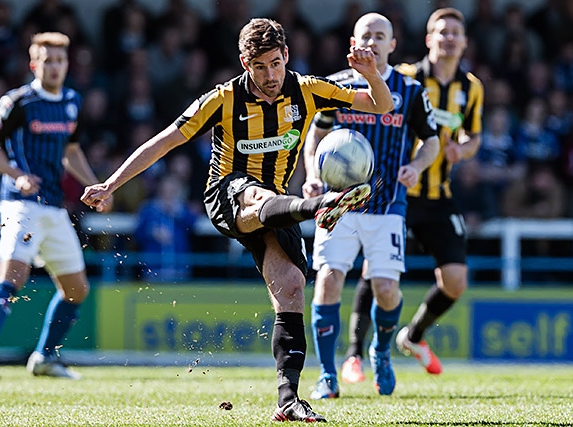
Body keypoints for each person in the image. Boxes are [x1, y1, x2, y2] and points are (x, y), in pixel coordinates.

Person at [80, 17, 392, 423]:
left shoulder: (308, 89)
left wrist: (371, 75)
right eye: (260, 66)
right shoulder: (222, 99)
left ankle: (288, 399)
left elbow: (381, 105)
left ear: (287, 58)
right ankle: (318, 208)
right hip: (230, 196)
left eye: (276, 64)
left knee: (292, 287)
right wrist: (111, 183)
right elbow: (164, 141)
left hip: (278, 205)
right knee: (257, 192)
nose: (271, 75)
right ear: (245, 63)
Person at [341, 7, 484, 382]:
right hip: (397, 191)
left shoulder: (471, 88)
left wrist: (462, 150)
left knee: (455, 280)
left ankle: (413, 336)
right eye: (442, 31)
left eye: (456, 31)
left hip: (437, 195)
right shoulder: (406, 78)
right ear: (428, 39)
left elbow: (474, 136)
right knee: (376, 270)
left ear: (464, 41)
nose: (449, 37)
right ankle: (355, 354)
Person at [302, 13, 439, 399]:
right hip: (338, 204)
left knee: (386, 288)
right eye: (367, 36)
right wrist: (312, 174)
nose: (374, 42)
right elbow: (317, 137)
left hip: (387, 204)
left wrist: (416, 165)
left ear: (393, 45)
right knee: (328, 280)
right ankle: (327, 374)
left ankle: (380, 350)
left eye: (381, 37)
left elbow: (431, 141)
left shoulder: (410, 91)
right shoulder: (337, 87)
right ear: (353, 43)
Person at [0, 32, 111, 380]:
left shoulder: (71, 101)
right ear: (35, 64)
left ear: (67, 64)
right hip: (21, 205)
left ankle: (44, 357)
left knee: (77, 288)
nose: (55, 66)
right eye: (48, 60)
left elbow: (71, 152)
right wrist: (16, 174)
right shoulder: (18, 101)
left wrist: (96, 185)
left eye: (60, 60)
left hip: (54, 206)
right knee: (12, 278)